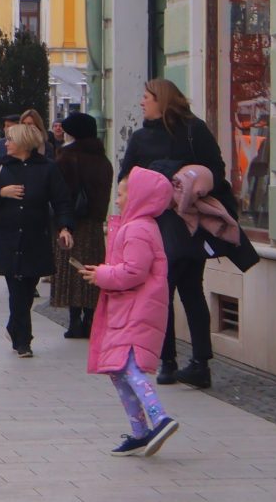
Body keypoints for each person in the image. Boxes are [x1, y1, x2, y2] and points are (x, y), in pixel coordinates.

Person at [117, 79, 230, 389]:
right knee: (163, 293)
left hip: (190, 223)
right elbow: (125, 180)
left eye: (146, 97)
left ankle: (198, 364)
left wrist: (188, 181)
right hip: (155, 225)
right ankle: (170, 361)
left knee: (188, 289)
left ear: (162, 100)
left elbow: (217, 171)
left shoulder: (194, 130)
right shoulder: (140, 138)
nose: (142, 102)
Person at [78, 168, 180, 458]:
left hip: (135, 309)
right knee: (118, 369)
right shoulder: (137, 226)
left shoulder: (137, 228)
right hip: (126, 309)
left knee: (129, 367)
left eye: (122, 194)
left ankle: (159, 417)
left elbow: (134, 271)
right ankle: (139, 431)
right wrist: (103, 272)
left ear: (137, 196)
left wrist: (103, 275)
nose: (118, 199)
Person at [0, 124, 75, 357]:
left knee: (28, 288)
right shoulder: (0, 165)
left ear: (23, 142)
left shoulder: (47, 168)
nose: (6, 143)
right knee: (16, 287)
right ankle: (23, 341)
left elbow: (62, 201)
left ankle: (14, 326)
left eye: (10, 139)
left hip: (35, 237)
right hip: (7, 237)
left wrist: (65, 228)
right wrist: (1, 192)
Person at [52, 112, 114, 339]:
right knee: (92, 269)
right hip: (95, 224)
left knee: (71, 268)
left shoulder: (67, 157)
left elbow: (60, 192)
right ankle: (90, 319)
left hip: (72, 223)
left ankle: (74, 321)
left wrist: (60, 221)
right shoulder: (103, 160)